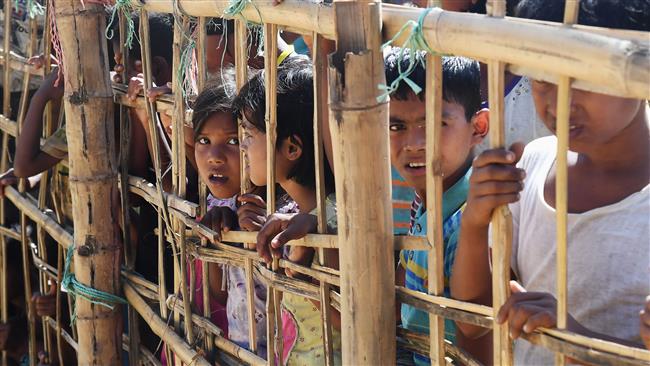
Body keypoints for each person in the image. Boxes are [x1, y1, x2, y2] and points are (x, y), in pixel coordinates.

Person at [450, 1, 650, 364]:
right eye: (542, 78)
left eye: (583, 78)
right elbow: (474, 321)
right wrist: (475, 223)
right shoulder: (533, 166)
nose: (559, 101)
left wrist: (576, 342)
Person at [385, 48, 489, 365]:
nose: (415, 143)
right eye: (396, 126)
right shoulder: (429, 197)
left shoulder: (470, 219)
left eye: (435, 123)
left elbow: (477, 338)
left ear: (478, 127)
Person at [233, 56, 340, 365]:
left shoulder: (336, 224)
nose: (242, 146)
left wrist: (301, 275)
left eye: (249, 135)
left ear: (292, 148)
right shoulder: (291, 215)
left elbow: (349, 317)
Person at [192, 69, 270, 357]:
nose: (214, 156)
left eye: (234, 141)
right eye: (204, 141)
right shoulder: (220, 208)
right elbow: (221, 295)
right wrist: (220, 247)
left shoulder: (287, 210)